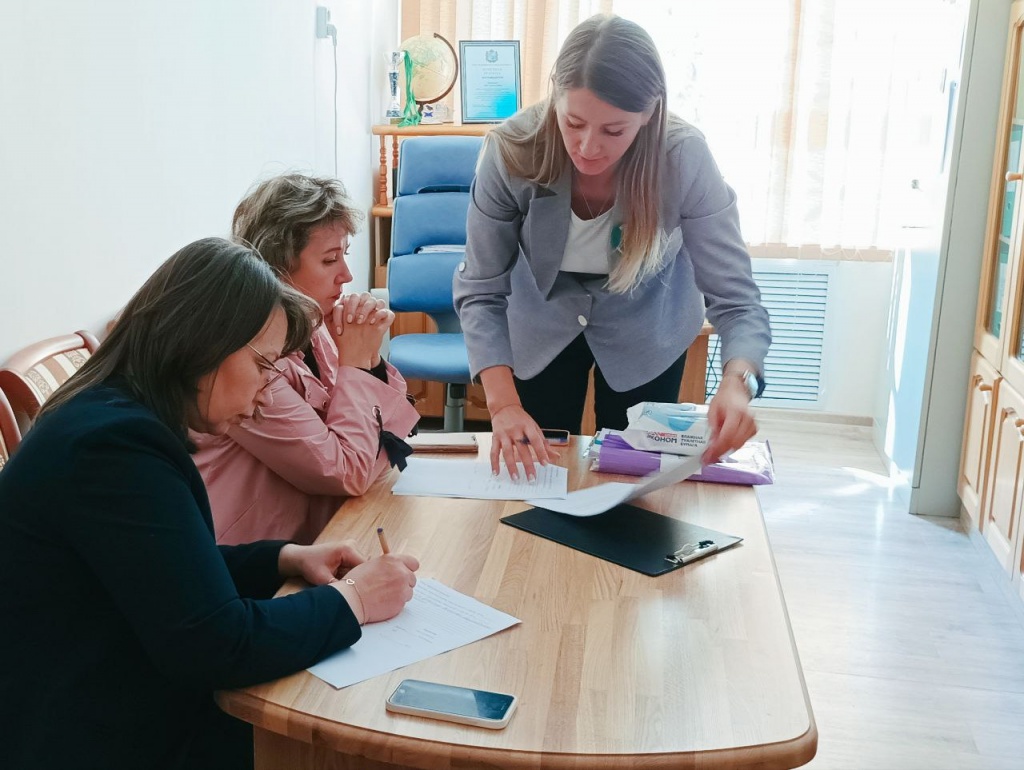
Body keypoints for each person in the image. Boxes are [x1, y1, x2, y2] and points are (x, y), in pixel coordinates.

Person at [0, 238, 420, 770]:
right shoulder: (114, 448)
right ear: (202, 344)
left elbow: (159, 570)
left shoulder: (115, 417)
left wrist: (282, 558)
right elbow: (216, 646)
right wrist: (355, 600)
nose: (268, 392)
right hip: (91, 731)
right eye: (264, 364)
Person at [453, 14, 771, 478]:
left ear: (649, 114)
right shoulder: (511, 150)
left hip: (647, 326)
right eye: (573, 122)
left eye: (614, 131)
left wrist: (738, 382)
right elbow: (480, 288)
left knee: (631, 480)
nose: (587, 147)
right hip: (540, 325)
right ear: (554, 95)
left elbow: (737, 298)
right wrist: (502, 405)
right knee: (539, 477)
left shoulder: (683, 157)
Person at [192, 174, 420, 545]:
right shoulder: (247, 358)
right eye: (330, 260)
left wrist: (370, 360)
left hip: (321, 532)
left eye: (344, 255)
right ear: (276, 268)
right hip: (249, 559)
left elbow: (389, 436)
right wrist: (356, 365)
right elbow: (347, 471)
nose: (346, 275)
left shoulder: (311, 327)